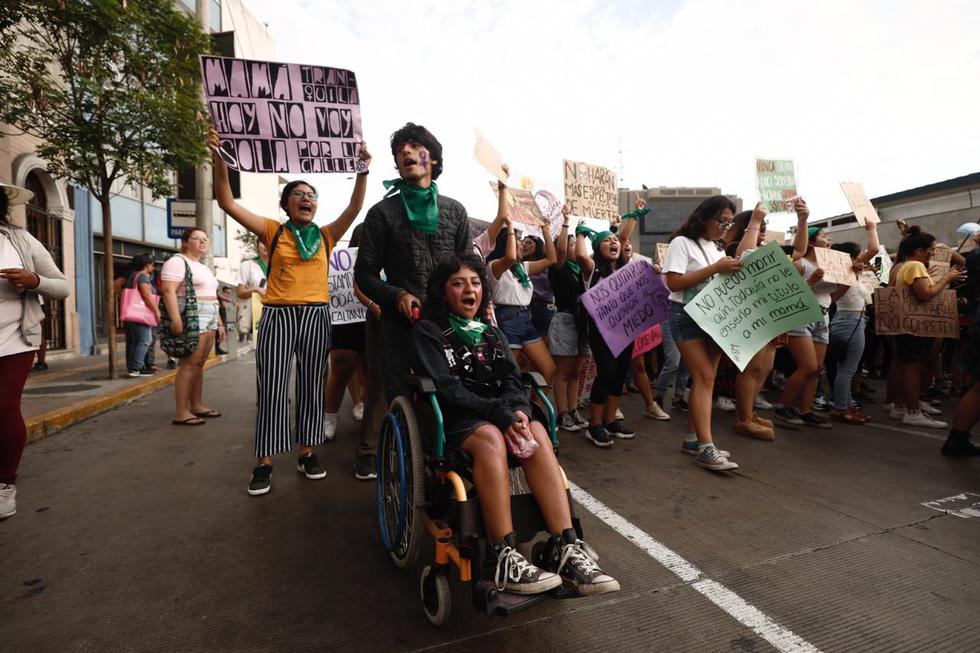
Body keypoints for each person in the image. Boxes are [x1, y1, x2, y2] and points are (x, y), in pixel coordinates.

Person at [412, 253, 619, 596]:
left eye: (476, 283)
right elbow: (448, 389)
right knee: (493, 437)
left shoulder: (490, 332)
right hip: (459, 419)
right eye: (459, 283)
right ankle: (501, 555)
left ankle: (565, 547)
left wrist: (520, 410)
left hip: (499, 412)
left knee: (535, 429)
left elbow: (511, 378)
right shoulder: (429, 331)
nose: (470, 290)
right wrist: (499, 413)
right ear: (443, 290)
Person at [210, 129, 371, 494]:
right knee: (272, 387)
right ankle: (264, 462)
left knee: (313, 386)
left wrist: (362, 170)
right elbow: (226, 202)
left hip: (316, 315)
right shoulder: (272, 231)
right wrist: (219, 156)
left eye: (311, 195)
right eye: (298, 194)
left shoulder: (327, 235)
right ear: (286, 205)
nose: (306, 198)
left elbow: (354, 208)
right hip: (279, 316)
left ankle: (307, 453)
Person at [353, 122, 471, 481]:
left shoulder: (455, 211)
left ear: (432, 158)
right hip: (400, 326)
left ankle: (446, 465)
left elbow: (469, 265)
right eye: (399, 150)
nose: (405, 153)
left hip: (449, 327)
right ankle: (387, 458)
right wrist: (397, 296)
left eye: (413, 146)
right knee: (399, 397)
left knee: (451, 395)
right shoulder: (381, 213)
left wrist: (475, 304)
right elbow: (365, 275)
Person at [0, 183, 70, 519]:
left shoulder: (21, 240)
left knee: (4, 408)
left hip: (13, 338)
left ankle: (4, 484)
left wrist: (33, 280)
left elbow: (62, 285)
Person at [662, 195, 741, 471]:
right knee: (704, 377)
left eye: (729, 222)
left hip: (714, 319)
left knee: (705, 380)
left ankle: (694, 439)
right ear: (704, 217)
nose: (724, 226)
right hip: (686, 317)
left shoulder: (718, 250)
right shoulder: (682, 243)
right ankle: (706, 449)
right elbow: (673, 282)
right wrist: (717, 269)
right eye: (721, 220)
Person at [573, 197, 641, 447]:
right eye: (607, 240)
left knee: (620, 374)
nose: (614, 243)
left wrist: (633, 216)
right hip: (601, 332)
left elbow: (622, 239)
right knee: (607, 372)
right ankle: (595, 425)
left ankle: (611, 421)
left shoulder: (625, 270)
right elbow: (580, 254)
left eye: (615, 241)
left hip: (626, 330)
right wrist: (580, 232)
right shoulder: (593, 270)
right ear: (597, 247)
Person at [890, 227, 966, 428]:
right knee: (914, 368)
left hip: (905, 324)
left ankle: (901, 406)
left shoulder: (905, 266)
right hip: (916, 326)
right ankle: (913, 411)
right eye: (930, 250)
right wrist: (946, 279)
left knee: (907, 366)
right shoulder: (915, 265)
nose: (933, 254)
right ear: (918, 251)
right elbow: (925, 294)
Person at [773, 201, 834, 429]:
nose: (828, 240)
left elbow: (836, 292)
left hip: (823, 316)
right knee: (808, 366)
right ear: (812, 240)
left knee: (817, 368)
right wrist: (810, 282)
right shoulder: (799, 264)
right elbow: (789, 293)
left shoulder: (832, 264)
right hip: (801, 315)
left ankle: (806, 410)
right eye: (824, 236)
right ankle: (783, 406)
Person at [486, 189, 558, 382]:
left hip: (526, 319)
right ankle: (514, 409)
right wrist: (510, 227)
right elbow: (509, 256)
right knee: (509, 376)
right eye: (518, 240)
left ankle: (534, 410)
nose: (522, 245)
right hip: (507, 319)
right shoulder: (495, 266)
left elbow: (552, 258)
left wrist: (545, 230)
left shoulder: (522, 267)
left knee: (549, 370)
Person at [161, 228, 225, 426]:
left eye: (205, 239)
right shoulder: (177, 261)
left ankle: (196, 405)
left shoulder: (203, 266)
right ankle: (182, 411)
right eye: (197, 238)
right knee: (189, 363)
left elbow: (212, 294)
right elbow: (168, 291)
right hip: (192, 313)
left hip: (210, 313)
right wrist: (176, 319)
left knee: (200, 362)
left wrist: (219, 323)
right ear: (186, 242)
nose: (202, 242)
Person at [724, 205, 776, 440]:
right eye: (759, 226)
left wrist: (802, 219)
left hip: (766, 314)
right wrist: (755, 219)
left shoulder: (764, 248)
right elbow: (745, 259)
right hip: (749, 315)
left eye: (765, 225)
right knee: (751, 368)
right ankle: (744, 418)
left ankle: (749, 411)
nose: (763, 229)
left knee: (761, 368)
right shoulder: (738, 248)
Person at [827, 220, 880, 424]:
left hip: (852, 320)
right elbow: (874, 248)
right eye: (858, 256)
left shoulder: (852, 273)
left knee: (848, 368)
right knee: (848, 369)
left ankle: (845, 404)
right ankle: (841, 407)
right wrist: (871, 228)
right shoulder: (845, 272)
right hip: (850, 321)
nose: (861, 259)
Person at [323, 224, 370, 439]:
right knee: (341, 369)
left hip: (373, 318)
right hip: (345, 319)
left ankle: (368, 413)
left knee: (371, 372)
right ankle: (329, 418)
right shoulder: (339, 261)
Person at [548, 209, 591, 433]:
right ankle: (562, 413)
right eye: (572, 243)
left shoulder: (583, 271)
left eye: (577, 243)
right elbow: (562, 250)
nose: (575, 246)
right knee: (562, 372)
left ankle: (573, 410)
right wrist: (566, 223)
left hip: (582, 323)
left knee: (576, 372)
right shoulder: (559, 267)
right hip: (565, 320)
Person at [121, 253, 161, 377]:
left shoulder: (133, 275)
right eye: (152, 264)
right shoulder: (143, 276)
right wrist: (156, 311)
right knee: (145, 340)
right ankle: (137, 367)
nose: (153, 267)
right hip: (140, 315)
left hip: (132, 314)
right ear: (147, 265)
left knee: (134, 341)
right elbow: (146, 296)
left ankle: (134, 367)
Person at [236, 241, 268, 343]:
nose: (267, 245)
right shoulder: (248, 265)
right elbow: (240, 292)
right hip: (258, 315)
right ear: (257, 246)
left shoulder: (282, 265)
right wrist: (255, 290)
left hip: (280, 313)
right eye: (264, 242)